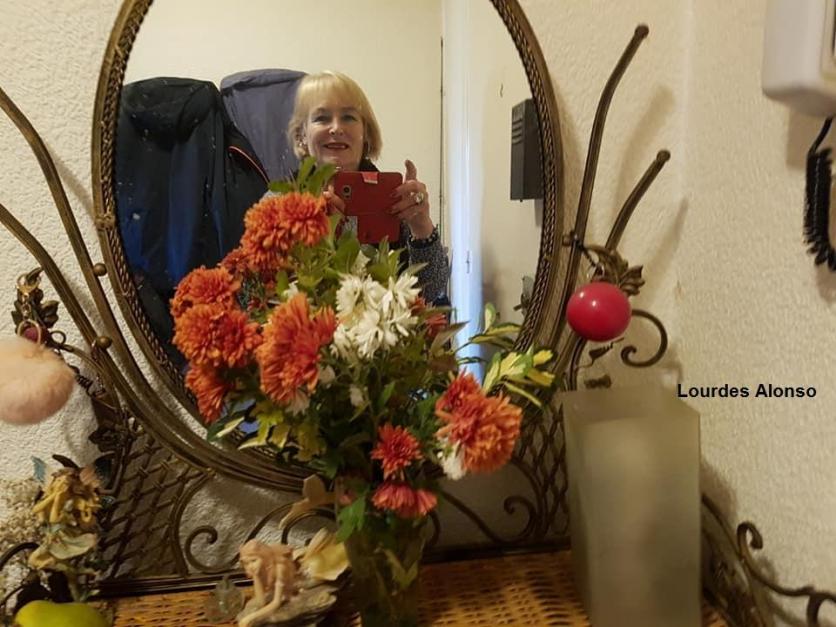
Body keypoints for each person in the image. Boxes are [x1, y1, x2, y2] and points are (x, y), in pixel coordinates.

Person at [286, 71, 449, 304]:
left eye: (348, 117)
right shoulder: (278, 203)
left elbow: (430, 292)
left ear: (366, 133)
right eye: (322, 118)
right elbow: (250, 297)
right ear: (302, 134)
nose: (336, 128)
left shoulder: (394, 198)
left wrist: (421, 226)